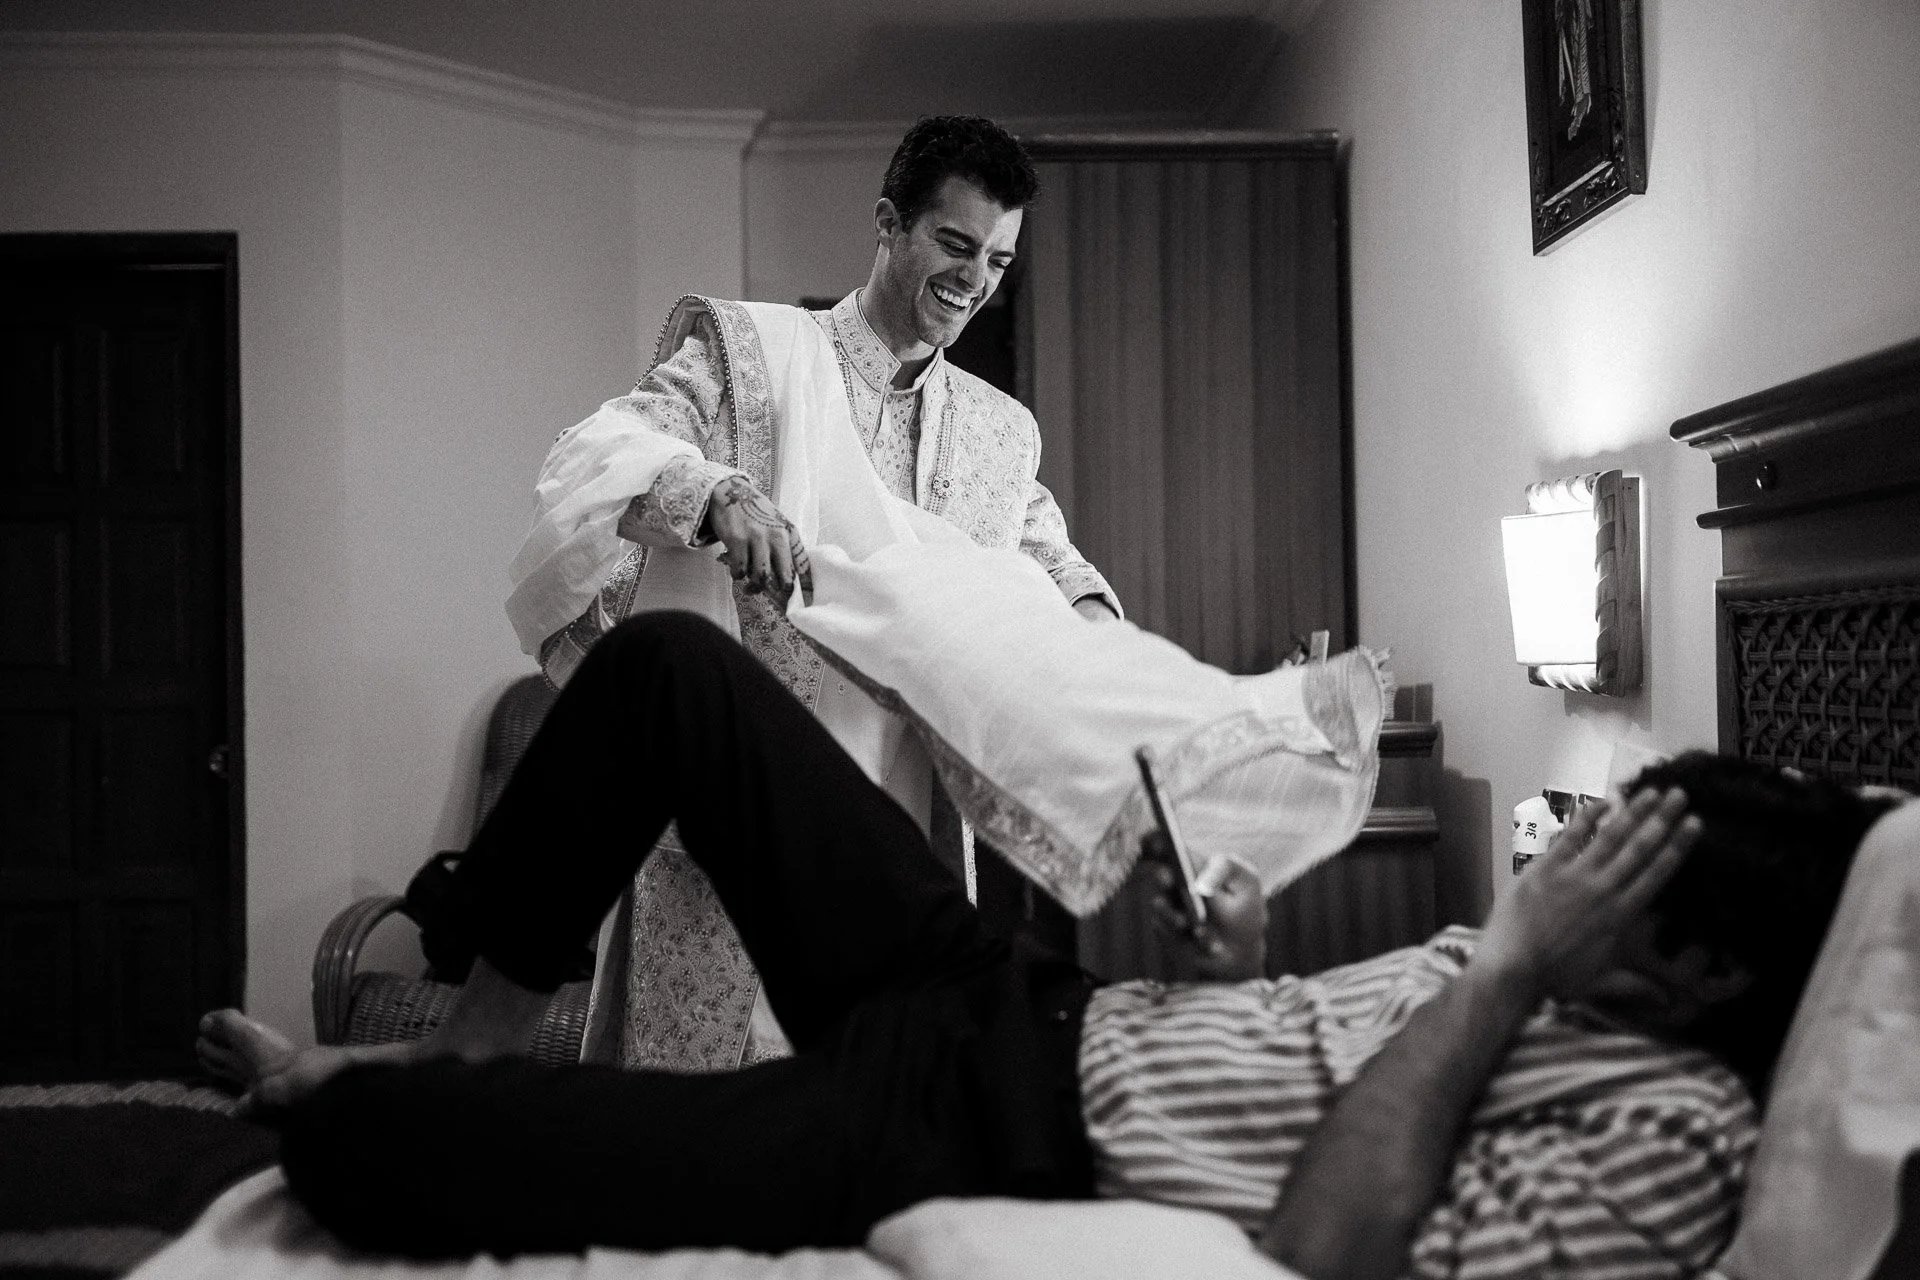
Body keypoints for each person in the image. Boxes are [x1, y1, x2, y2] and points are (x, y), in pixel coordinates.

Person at [198, 613, 1900, 1278]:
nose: (1564, 851)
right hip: (1003, 1005)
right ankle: (486, 1013)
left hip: (982, 1134)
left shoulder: (1677, 1146)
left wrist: (1519, 962)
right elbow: (1286, 1071)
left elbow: (1320, 1254)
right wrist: (1230, 967)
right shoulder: (1544, 950)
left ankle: (374, 1098)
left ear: (1697, 983)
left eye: (1612, 859)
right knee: (668, 671)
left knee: (415, 1157)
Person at [505, 115, 1118, 1071]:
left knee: (857, 1129)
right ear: (889, 223)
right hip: (728, 818)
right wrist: (717, 490)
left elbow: (1047, 560)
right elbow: (607, 445)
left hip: (897, 835)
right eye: (955, 244)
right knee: (691, 1139)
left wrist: (1095, 636)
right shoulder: (753, 357)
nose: (975, 281)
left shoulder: (1003, 432)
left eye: (998, 261)